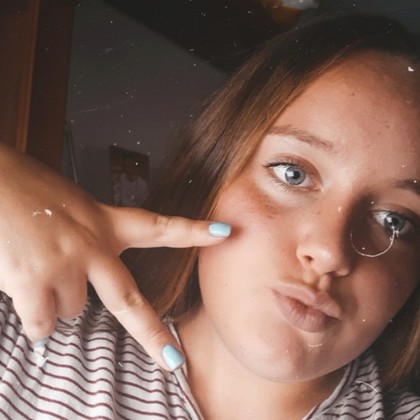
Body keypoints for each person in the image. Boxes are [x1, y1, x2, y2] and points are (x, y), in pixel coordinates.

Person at [0, 13, 420, 418]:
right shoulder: (27, 338)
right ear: (214, 172)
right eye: (293, 174)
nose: (328, 252)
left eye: (394, 221)